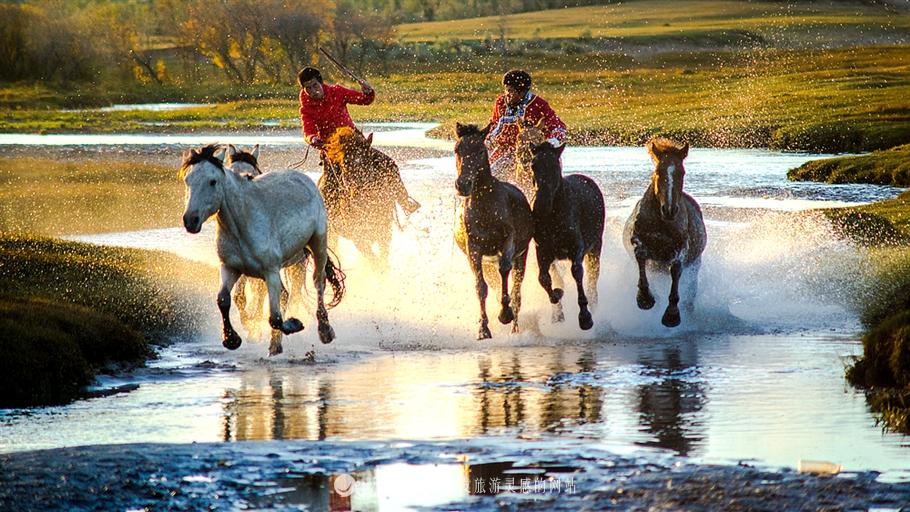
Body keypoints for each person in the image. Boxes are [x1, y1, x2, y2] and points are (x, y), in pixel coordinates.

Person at [297, 66, 420, 215]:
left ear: (321, 83)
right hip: (332, 152)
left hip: (357, 145)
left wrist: (368, 91)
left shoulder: (337, 92)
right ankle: (327, 220)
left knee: (389, 164)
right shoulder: (306, 109)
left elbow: (364, 100)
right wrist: (313, 138)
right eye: (308, 88)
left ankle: (404, 202)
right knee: (328, 189)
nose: (313, 91)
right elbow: (308, 131)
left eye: (315, 85)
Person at [486, 69, 567, 181]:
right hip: (505, 151)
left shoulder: (539, 105)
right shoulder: (500, 102)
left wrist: (553, 142)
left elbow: (559, 127)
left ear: (522, 92)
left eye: (511, 91)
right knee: (487, 177)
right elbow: (494, 125)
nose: (507, 95)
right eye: (506, 90)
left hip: (535, 153)